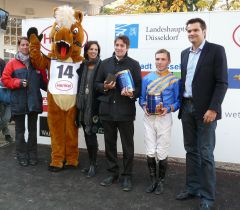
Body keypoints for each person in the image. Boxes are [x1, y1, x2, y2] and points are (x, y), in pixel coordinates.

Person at [176, 18, 228, 210]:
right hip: (187, 108)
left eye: (195, 30)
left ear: (204, 31)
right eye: (188, 30)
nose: (191, 33)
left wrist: (213, 108)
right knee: (191, 151)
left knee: (205, 153)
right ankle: (192, 188)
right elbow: (185, 82)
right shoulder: (184, 54)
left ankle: (207, 196)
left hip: (206, 111)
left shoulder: (216, 50)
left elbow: (222, 82)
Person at [95, 35, 142, 191]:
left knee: (127, 146)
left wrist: (132, 93)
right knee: (110, 144)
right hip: (107, 111)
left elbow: (139, 88)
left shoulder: (134, 65)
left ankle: (127, 176)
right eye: (117, 45)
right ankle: (112, 173)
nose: (119, 47)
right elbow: (96, 84)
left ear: (127, 47)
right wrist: (105, 87)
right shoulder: (105, 63)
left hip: (125, 111)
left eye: (122, 45)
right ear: (114, 46)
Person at [139, 49, 180, 195]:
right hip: (149, 118)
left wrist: (169, 108)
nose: (159, 62)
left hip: (164, 118)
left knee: (162, 150)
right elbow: (142, 98)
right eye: (157, 59)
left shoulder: (174, 80)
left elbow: (178, 101)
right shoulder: (147, 78)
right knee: (150, 150)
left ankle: (161, 181)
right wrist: (144, 107)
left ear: (169, 61)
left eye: (163, 59)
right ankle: (153, 181)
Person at [2, 37, 47, 167]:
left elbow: (44, 82)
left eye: (27, 45)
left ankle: (33, 155)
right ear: (19, 46)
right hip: (18, 102)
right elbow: (5, 80)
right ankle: (21, 156)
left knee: (33, 131)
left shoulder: (37, 63)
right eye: (23, 45)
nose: (25, 47)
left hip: (34, 102)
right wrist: (17, 82)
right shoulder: (11, 63)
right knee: (20, 131)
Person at [76, 41, 102, 177]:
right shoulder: (82, 66)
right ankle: (92, 162)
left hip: (95, 106)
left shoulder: (101, 66)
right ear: (86, 51)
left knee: (91, 135)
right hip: (83, 105)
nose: (93, 51)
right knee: (87, 135)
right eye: (91, 49)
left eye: (96, 49)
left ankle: (93, 164)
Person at [0, 58, 13, 144]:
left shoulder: (2, 61)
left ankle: (7, 134)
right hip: (1, 96)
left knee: (5, 118)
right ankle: (7, 134)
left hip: (7, 95)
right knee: (3, 118)